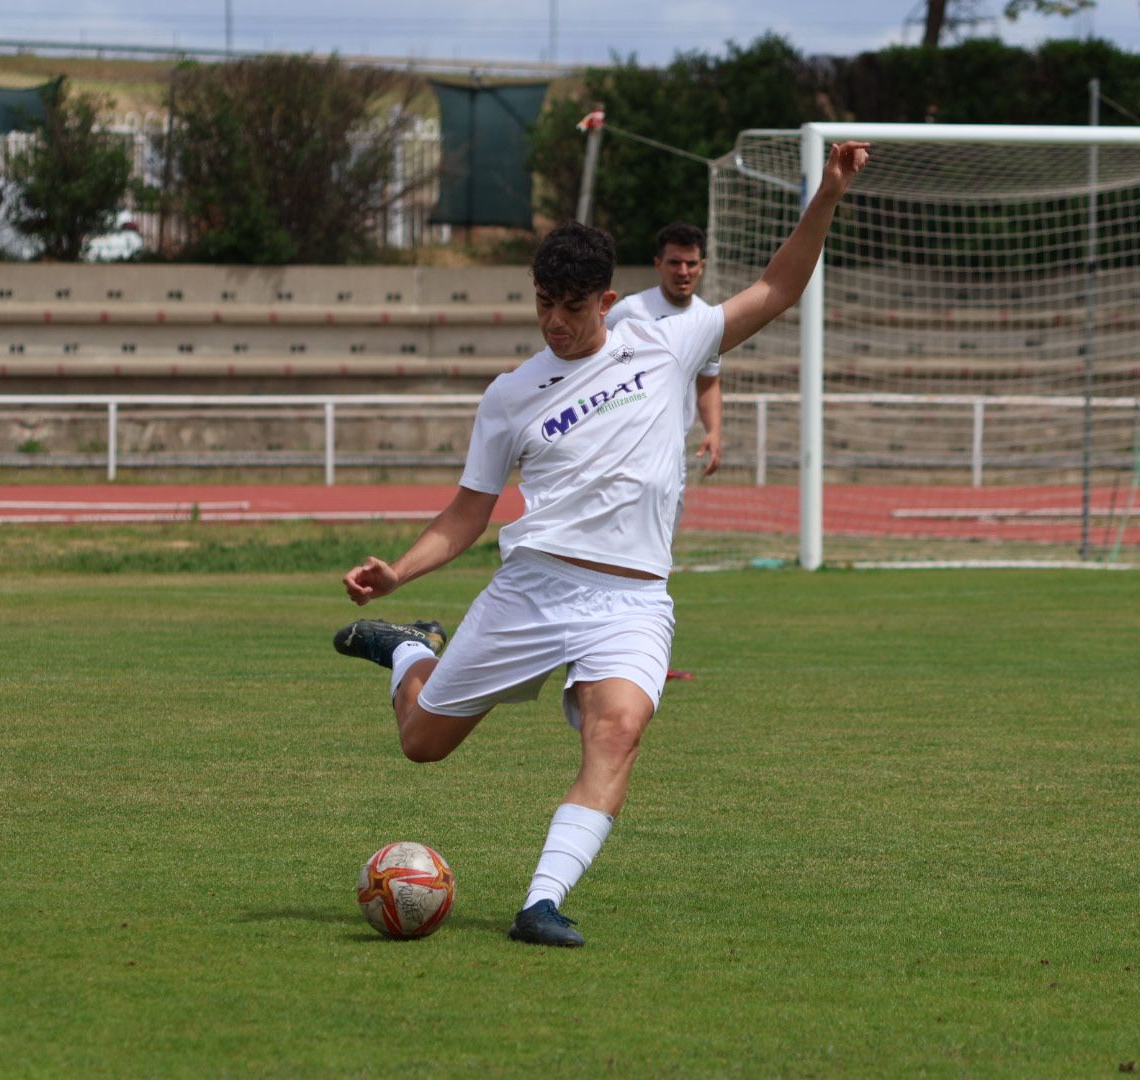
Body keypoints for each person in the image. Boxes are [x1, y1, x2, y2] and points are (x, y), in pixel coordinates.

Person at [335, 141, 869, 948]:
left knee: (616, 728)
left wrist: (826, 193)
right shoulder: (510, 396)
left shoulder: (668, 345)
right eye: (544, 301)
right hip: (535, 586)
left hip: (632, 598)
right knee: (423, 745)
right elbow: (467, 513)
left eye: (573, 306)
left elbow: (779, 286)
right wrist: (398, 573)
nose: (555, 320)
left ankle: (540, 902)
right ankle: (412, 653)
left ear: (608, 301)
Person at [604, 222, 723, 480]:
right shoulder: (629, 311)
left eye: (691, 263)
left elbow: (708, 382)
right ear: (658, 264)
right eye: (674, 263)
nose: (683, 271)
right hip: (623, 448)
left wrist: (713, 431)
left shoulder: (708, 320)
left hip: (672, 450)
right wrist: (628, 361)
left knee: (666, 521)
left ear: (702, 266)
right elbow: (597, 353)